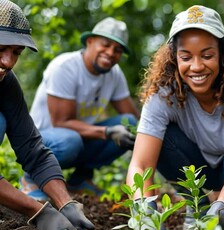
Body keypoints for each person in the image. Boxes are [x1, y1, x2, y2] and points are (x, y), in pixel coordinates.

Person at [126, 5, 224, 230]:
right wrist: (144, 214)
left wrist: (219, 217)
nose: (196, 67)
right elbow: (141, 164)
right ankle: (196, 203)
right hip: (195, 168)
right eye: (186, 57)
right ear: (174, 57)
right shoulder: (163, 93)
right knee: (160, 138)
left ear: (223, 54)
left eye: (207, 55)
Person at [0, 0, 94, 230]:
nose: (8, 62)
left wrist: (65, 204)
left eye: (16, 53)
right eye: (0, 49)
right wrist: (39, 212)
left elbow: (32, 149)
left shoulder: (6, 84)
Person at [24, 16, 140, 200]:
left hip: (77, 137)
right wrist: (107, 131)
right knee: (71, 140)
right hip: (40, 140)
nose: (111, 53)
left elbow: (133, 117)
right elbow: (61, 122)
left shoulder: (114, 75)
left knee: (130, 124)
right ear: (90, 41)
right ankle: (31, 179)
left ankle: (79, 180)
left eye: (117, 50)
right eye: (106, 45)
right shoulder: (65, 67)